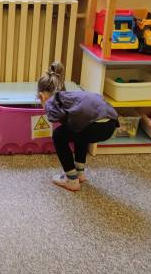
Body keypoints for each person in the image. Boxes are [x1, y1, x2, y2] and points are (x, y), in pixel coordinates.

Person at [37, 62, 118, 192]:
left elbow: (54, 115)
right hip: (110, 124)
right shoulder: (71, 96)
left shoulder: (52, 101)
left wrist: (47, 107)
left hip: (95, 126)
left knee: (58, 135)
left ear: (42, 96)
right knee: (78, 129)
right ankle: (79, 173)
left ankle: (71, 180)